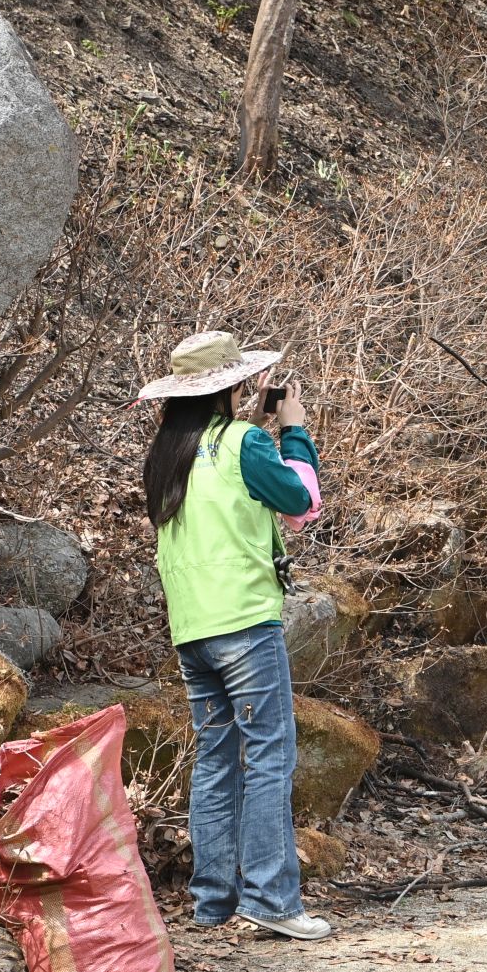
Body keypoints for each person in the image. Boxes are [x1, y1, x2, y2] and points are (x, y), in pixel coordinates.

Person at [138, 331, 330, 940]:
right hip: (245, 621)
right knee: (271, 756)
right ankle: (272, 900)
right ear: (231, 386)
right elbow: (301, 501)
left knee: (216, 760)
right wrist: (293, 430)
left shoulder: (167, 451)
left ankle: (213, 899)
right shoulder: (244, 442)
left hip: (190, 627)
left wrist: (252, 425)